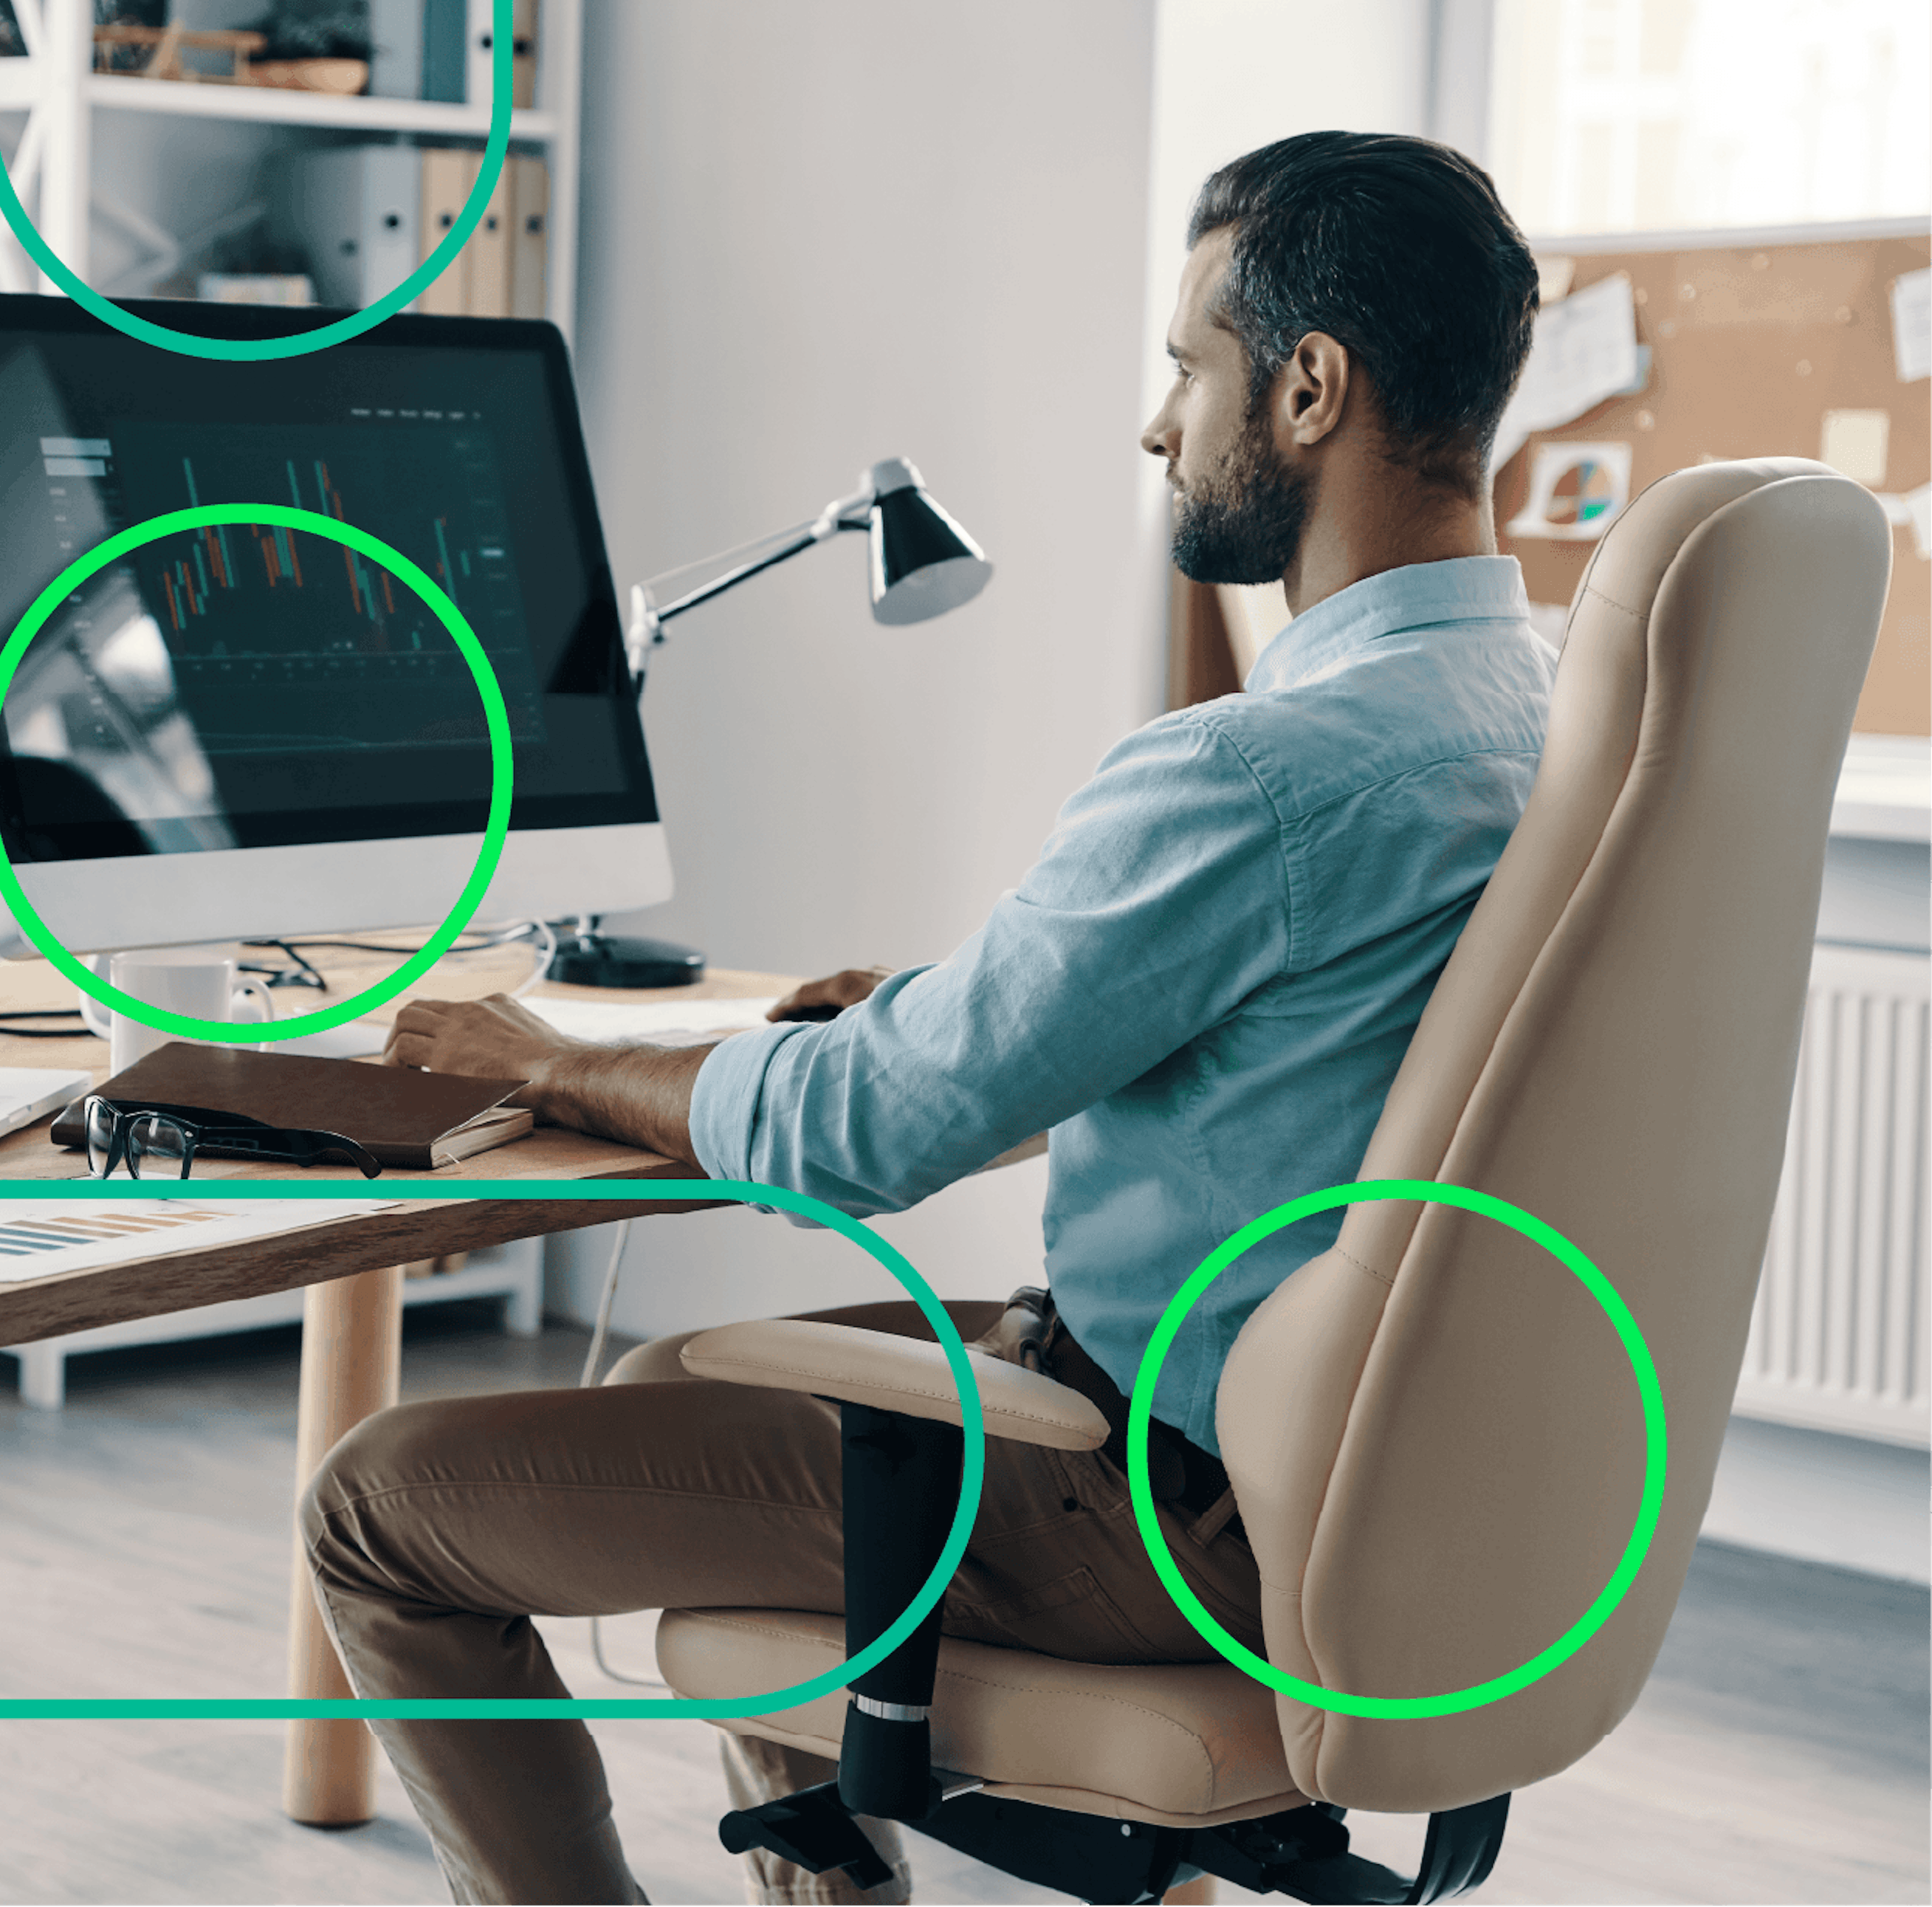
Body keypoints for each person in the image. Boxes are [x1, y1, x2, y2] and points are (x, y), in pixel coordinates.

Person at [304, 130, 1553, 1907]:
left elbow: (862, 1134)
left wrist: (547, 1054)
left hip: (1152, 1502)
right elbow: (1306, 1042)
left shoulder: (1264, 770)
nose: (1156, 425)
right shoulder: (1543, 714)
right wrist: (940, 1011)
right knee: (680, 1380)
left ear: (1307, 389)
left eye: (1187, 366)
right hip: (1375, 1480)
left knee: (379, 1504)